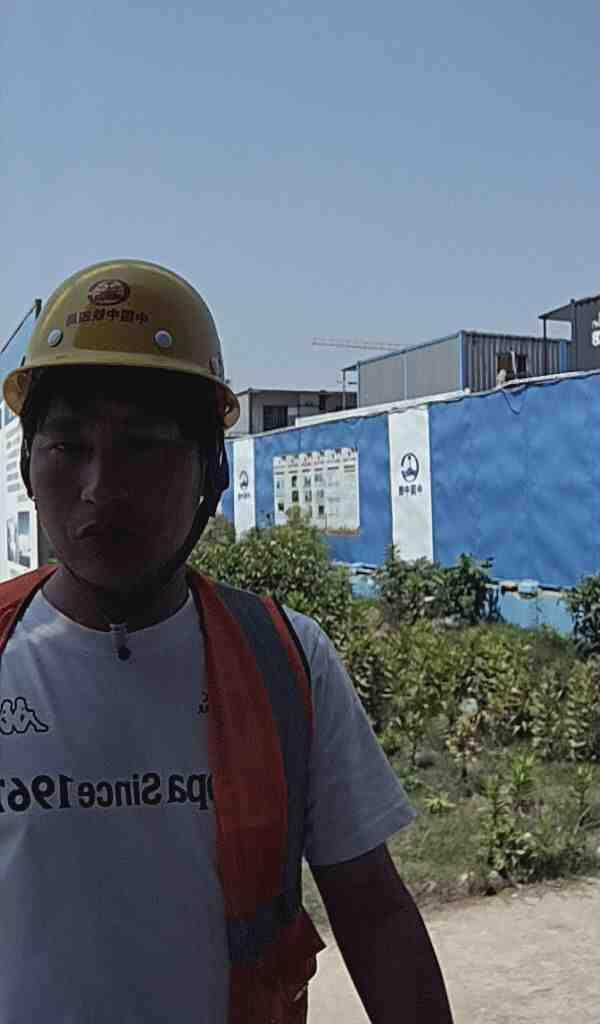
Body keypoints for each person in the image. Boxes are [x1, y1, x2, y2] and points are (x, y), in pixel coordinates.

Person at [0, 259, 454, 1023]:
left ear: (210, 470)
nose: (100, 488)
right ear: (28, 461)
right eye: (68, 446)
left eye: (143, 446)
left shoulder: (285, 660)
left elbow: (373, 911)